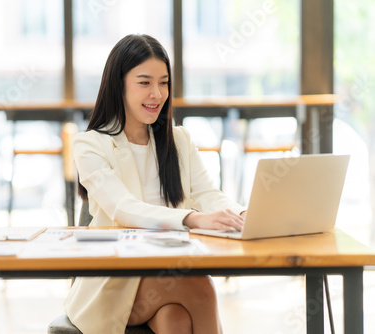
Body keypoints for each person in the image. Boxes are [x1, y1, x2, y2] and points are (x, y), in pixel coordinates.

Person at [64, 34, 246, 334]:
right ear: (118, 84)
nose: (157, 94)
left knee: (175, 319)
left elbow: (207, 194)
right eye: (144, 82)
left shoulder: (179, 140)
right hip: (115, 280)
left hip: (169, 272)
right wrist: (192, 218)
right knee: (200, 287)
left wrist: (239, 216)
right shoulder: (90, 144)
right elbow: (123, 207)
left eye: (164, 82)